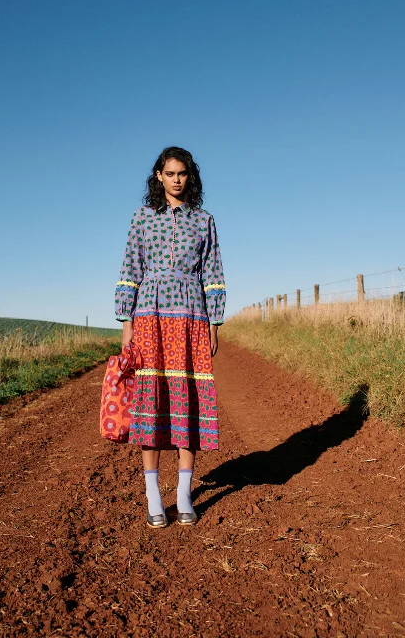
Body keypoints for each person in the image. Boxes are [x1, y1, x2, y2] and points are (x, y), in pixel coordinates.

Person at [115, 146, 226, 528]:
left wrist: (214, 323)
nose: (177, 179)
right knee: (152, 401)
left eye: (183, 173)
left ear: (189, 177)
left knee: (188, 401)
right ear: (158, 176)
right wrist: (126, 322)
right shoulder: (143, 218)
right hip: (149, 317)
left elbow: (213, 273)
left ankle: (183, 495)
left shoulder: (205, 221)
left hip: (191, 316)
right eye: (170, 173)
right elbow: (130, 269)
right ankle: (152, 497)